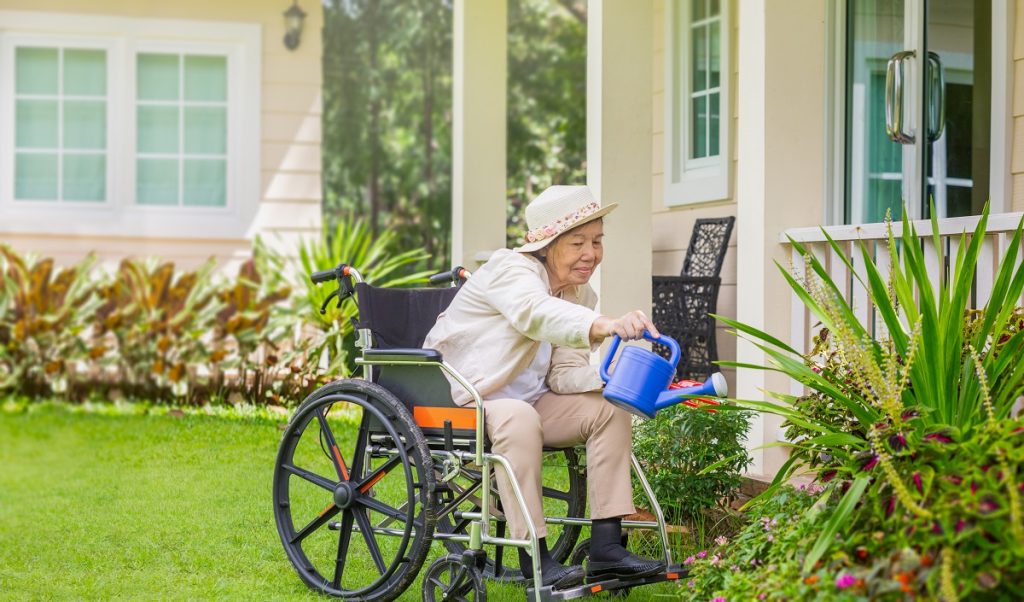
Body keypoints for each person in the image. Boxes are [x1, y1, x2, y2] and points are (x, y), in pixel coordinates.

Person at [423, 185, 666, 589]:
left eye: (597, 241)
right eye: (578, 243)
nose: (591, 253)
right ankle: (535, 555)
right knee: (518, 417)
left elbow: (563, 373)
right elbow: (535, 314)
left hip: (531, 401)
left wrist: (612, 379)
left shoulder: (578, 292)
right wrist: (603, 324)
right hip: (468, 397)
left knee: (609, 407)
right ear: (547, 244)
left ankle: (606, 547)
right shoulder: (509, 270)